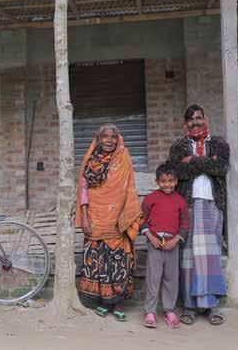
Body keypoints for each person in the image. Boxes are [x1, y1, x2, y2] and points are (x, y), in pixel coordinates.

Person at [168, 104, 230, 326]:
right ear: (185, 124)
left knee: (211, 256)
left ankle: (212, 304)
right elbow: (177, 172)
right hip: (188, 205)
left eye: (199, 118)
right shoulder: (179, 145)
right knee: (189, 257)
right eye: (191, 120)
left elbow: (221, 168)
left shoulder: (219, 143)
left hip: (213, 206)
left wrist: (192, 161)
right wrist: (207, 163)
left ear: (206, 119)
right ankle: (190, 306)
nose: (195, 123)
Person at [75, 123, 144, 322]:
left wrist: (124, 215)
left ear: (118, 138)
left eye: (113, 137)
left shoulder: (123, 158)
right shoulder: (90, 161)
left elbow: (128, 187)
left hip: (117, 220)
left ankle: (118, 303)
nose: (109, 140)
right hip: (96, 217)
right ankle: (103, 303)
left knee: (119, 261)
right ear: (98, 139)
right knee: (99, 263)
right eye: (105, 137)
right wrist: (85, 215)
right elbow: (84, 190)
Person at [140, 162, 189, 329]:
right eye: (163, 181)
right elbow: (142, 220)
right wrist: (150, 237)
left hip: (172, 244)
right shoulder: (150, 199)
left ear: (176, 181)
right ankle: (150, 312)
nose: (167, 184)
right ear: (157, 182)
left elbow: (185, 224)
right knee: (153, 279)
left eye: (170, 181)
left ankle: (169, 311)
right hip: (154, 243)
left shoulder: (180, 201)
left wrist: (175, 240)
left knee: (171, 279)